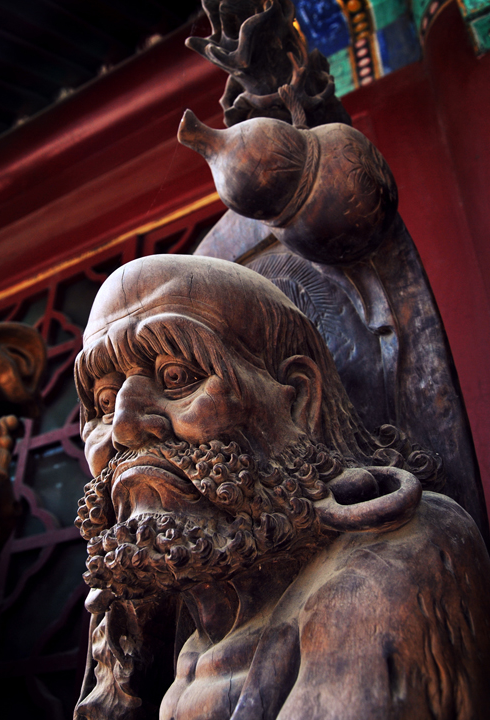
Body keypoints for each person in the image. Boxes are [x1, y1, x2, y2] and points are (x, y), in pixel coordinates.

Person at [74, 254, 490, 720]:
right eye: (104, 403)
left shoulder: (396, 559)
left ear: (299, 400)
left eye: (177, 378)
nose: (124, 428)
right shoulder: (161, 625)